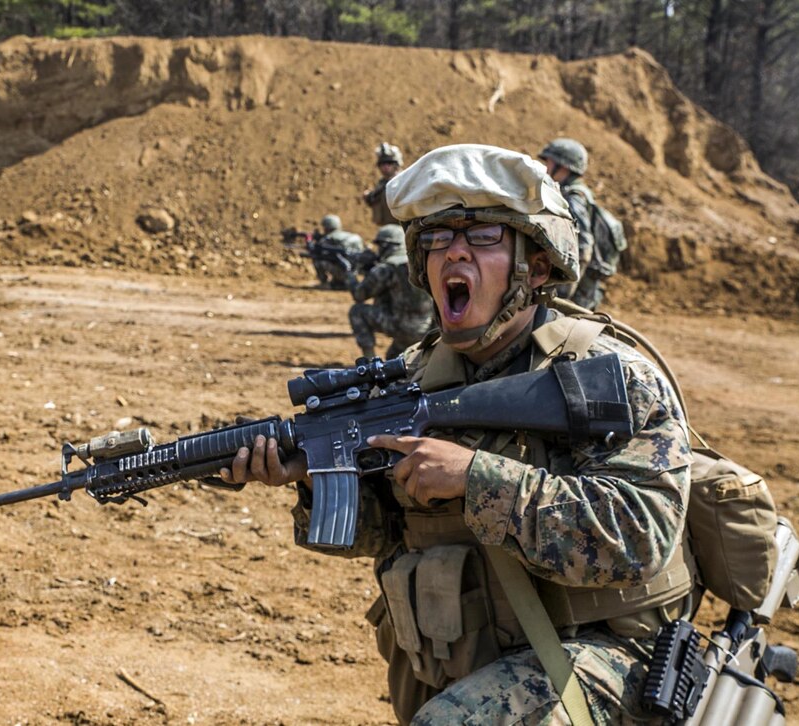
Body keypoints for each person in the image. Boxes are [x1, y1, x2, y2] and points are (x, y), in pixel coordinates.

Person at [221, 144, 694, 725]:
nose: (455, 252)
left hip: (612, 656)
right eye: (438, 238)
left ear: (536, 268)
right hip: (471, 653)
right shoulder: (418, 374)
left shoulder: (606, 376)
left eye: (484, 237)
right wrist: (315, 476)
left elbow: (639, 536)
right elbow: (389, 533)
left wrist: (475, 477)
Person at [346, 224, 435, 360]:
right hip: (430, 330)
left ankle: (369, 361)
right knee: (392, 359)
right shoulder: (422, 262)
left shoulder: (386, 268)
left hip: (400, 327)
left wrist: (351, 277)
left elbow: (360, 295)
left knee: (357, 311)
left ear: (388, 246)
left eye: (380, 246)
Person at [538, 138, 605, 310]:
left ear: (564, 166)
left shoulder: (574, 199)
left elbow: (583, 246)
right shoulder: (571, 193)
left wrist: (563, 293)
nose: (545, 168)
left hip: (577, 291)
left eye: (549, 163)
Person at [312, 214, 367, 290]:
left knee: (318, 260)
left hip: (344, 271)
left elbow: (321, 253)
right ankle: (338, 282)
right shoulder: (353, 236)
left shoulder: (329, 238)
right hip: (356, 272)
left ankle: (325, 283)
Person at [363, 142, 404, 227]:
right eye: (382, 164)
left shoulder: (402, 180)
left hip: (401, 226)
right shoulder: (382, 183)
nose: (385, 167)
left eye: (389, 163)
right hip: (386, 226)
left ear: (395, 165)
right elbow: (374, 199)